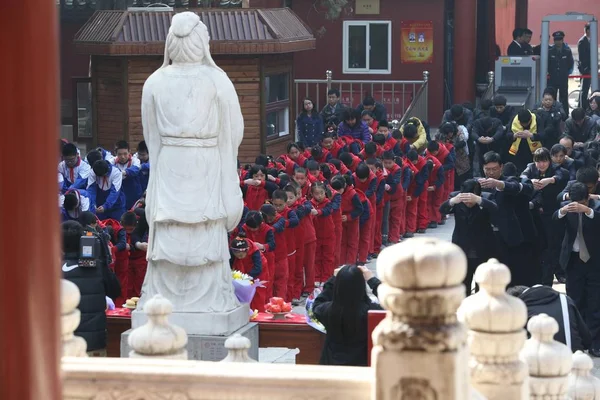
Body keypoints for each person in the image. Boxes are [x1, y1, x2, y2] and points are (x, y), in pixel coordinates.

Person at [554, 182, 600, 356]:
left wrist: (587, 211)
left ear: (588, 198)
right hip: (573, 261)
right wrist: (563, 211)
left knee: (595, 303)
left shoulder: (595, 207)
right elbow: (554, 220)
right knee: (575, 301)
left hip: (594, 261)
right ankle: (577, 341)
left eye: (583, 202)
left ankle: (596, 342)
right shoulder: (566, 207)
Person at [62, 220, 121, 356]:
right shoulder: (98, 267)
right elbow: (115, 291)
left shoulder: (50, 268)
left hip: (61, 344)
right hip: (94, 344)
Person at [479, 152, 536, 286]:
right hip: (486, 237)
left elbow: (517, 187)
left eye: (494, 169)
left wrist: (499, 184)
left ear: (501, 167)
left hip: (509, 238)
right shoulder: (479, 184)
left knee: (512, 275)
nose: (491, 173)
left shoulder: (509, 181)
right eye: (488, 169)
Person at [312, 264, 382, 366]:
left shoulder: (328, 311)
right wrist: (372, 280)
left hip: (332, 368)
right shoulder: (372, 312)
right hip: (362, 367)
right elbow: (392, 304)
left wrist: (333, 280)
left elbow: (317, 303)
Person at [440, 179, 498, 296]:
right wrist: (452, 201)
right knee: (462, 284)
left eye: (470, 200)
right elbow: (442, 210)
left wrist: (478, 200)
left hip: (482, 248)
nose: (468, 203)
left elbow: (495, 209)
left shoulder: (486, 198)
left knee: (482, 284)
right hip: (462, 247)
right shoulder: (456, 197)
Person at [521, 148, 569, 285]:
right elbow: (522, 177)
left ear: (549, 160)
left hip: (552, 211)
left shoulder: (556, 169)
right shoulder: (530, 168)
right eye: (538, 161)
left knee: (555, 243)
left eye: (544, 161)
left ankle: (559, 271)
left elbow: (562, 175)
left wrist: (550, 180)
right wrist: (531, 181)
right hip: (535, 212)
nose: (541, 164)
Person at [507, 285, 591, 352]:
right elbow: (586, 339)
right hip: (573, 359)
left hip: (541, 364)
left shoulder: (521, 309)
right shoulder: (565, 300)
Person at [230, 234, 269, 312]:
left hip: (258, 274)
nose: (239, 256)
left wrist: (247, 279)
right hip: (242, 271)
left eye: (241, 255)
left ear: (247, 250)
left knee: (257, 296)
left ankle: (258, 314)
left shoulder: (255, 252)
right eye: (237, 255)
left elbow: (258, 268)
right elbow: (230, 266)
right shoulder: (232, 252)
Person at [331, 175, 363, 265]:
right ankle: (341, 264)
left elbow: (360, 209)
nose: (337, 192)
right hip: (340, 222)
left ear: (344, 185)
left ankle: (350, 264)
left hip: (352, 221)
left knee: (352, 243)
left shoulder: (352, 194)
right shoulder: (332, 194)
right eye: (335, 190)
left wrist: (349, 217)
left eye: (339, 189)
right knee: (341, 243)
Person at [404, 150, 431, 236]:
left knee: (422, 205)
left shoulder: (423, 164)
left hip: (421, 184)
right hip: (412, 185)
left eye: (414, 162)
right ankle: (411, 227)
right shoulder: (406, 163)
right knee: (410, 208)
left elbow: (425, 176)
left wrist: (416, 193)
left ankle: (422, 225)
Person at [507, 109, 542, 174]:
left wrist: (531, 135)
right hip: (518, 151)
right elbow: (507, 135)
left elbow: (543, 135)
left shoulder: (537, 119)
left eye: (527, 123)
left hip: (534, 151)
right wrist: (514, 135)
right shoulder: (514, 119)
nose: (525, 125)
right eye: (522, 124)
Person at [111, 140, 142, 211]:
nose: (122, 157)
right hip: (119, 194)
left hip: (133, 194)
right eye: (119, 154)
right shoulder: (112, 161)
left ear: (129, 152)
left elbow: (135, 169)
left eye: (125, 154)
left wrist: (124, 172)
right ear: (116, 153)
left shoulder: (135, 161)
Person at [548, 31, 574, 111]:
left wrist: (565, 72)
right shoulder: (550, 51)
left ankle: (565, 115)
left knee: (564, 98)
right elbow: (548, 64)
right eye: (556, 40)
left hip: (563, 78)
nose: (558, 42)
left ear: (562, 40)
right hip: (553, 78)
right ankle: (552, 114)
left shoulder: (567, 51)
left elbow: (570, 63)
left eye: (559, 40)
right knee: (552, 97)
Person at [578, 24, 592, 110]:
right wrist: (586, 68)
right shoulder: (582, 41)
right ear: (587, 31)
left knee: (585, 90)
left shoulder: (589, 40)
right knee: (584, 90)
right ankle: (582, 108)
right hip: (585, 70)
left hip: (589, 69)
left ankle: (582, 106)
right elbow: (582, 57)